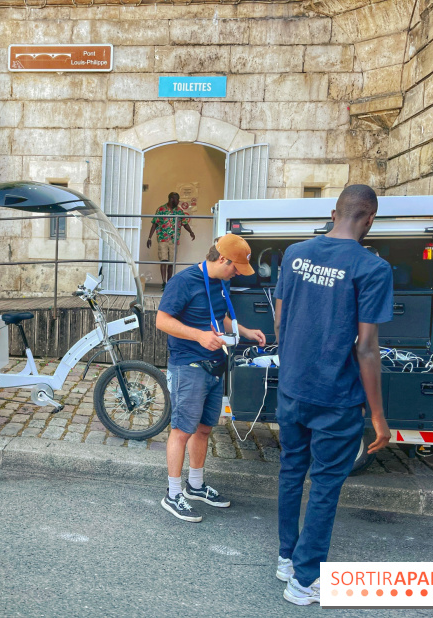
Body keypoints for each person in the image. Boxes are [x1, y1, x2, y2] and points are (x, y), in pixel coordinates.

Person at [272, 184, 392, 605]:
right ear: (370, 219)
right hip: (336, 397)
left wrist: (292, 366)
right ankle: (303, 581)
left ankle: (288, 557)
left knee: (291, 471)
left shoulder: (295, 254)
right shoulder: (373, 269)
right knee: (324, 485)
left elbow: (281, 320)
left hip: (292, 388)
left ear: (334, 210)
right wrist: (378, 416)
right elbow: (366, 348)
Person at [156, 235, 266, 522]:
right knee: (182, 431)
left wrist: (246, 331)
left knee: (205, 429)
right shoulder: (183, 282)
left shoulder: (221, 281)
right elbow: (162, 320)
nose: (238, 273)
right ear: (222, 259)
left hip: (215, 365)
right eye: (236, 268)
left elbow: (222, 318)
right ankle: (173, 493)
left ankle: (195, 486)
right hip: (188, 366)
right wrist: (199, 336)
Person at [146, 192, 196, 290]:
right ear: (171, 199)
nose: (178, 201)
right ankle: (164, 282)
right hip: (162, 239)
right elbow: (154, 224)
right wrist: (149, 238)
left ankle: (169, 283)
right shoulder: (161, 209)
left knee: (171, 262)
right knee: (163, 260)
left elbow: (184, 223)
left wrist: (191, 232)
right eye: (177, 199)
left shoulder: (179, 211)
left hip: (174, 240)